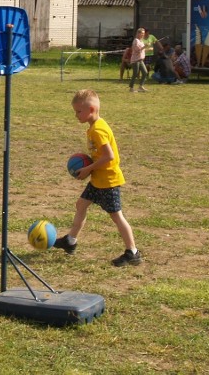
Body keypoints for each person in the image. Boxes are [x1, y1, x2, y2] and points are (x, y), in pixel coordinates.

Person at [53, 89, 142, 267]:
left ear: (91, 110)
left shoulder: (98, 130)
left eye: (79, 111)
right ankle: (70, 241)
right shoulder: (95, 126)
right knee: (81, 204)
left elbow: (109, 157)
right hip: (98, 180)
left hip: (108, 182)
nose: (76, 115)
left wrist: (88, 169)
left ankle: (132, 252)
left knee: (117, 217)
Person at [128, 28, 148, 93]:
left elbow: (142, 50)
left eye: (143, 33)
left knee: (145, 72)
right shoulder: (136, 41)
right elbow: (137, 50)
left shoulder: (141, 41)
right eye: (142, 33)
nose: (143, 34)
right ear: (138, 33)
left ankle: (140, 87)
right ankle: (131, 88)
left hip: (140, 60)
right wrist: (144, 47)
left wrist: (148, 48)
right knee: (135, 74)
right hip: (135, 60)